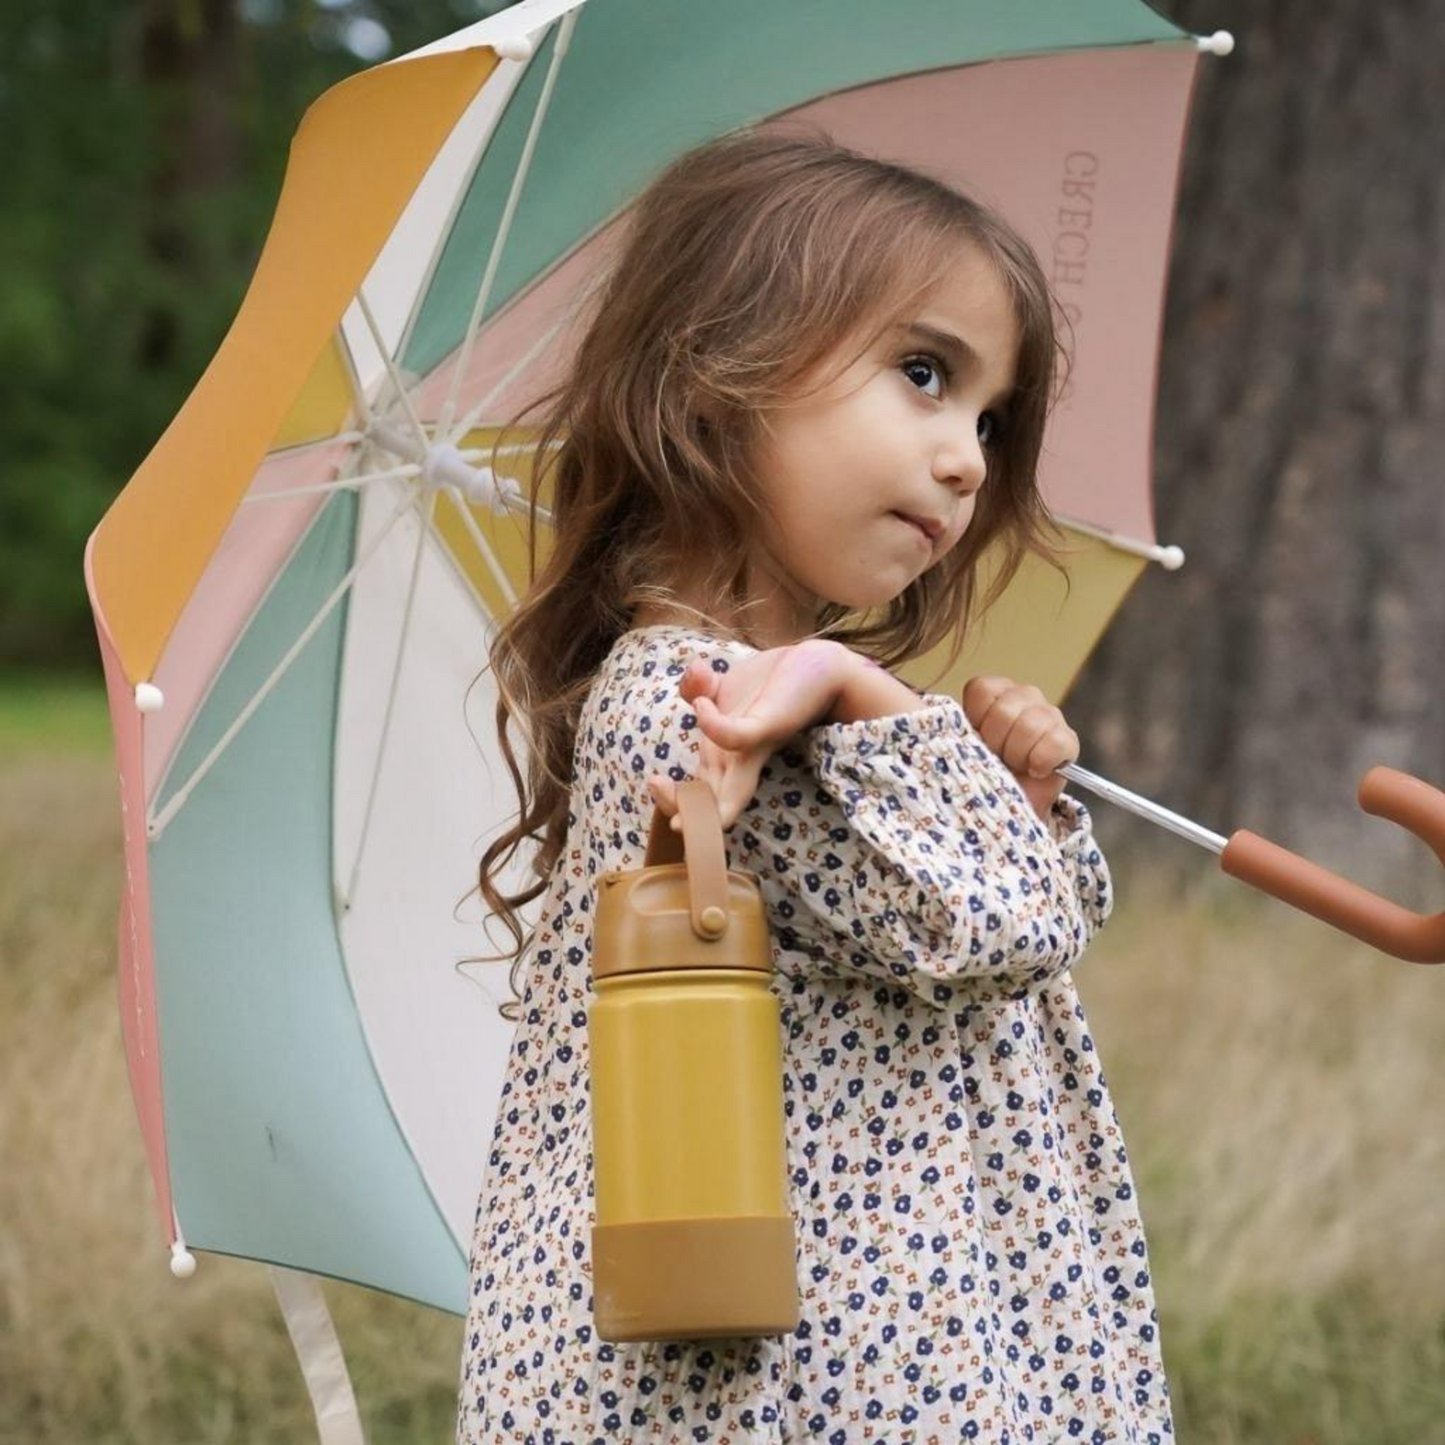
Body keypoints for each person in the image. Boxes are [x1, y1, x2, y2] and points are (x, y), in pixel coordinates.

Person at [455, 128, 1173, 1444]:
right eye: (923, 373)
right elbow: (1005, 928)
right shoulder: (703, 709)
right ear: (717, 369)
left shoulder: (780, 698)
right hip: (801, 1383)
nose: (967, 458)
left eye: (990, 416)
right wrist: (877, 703)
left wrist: (1010, 789)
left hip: (880, 1338)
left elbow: (1013, 916)